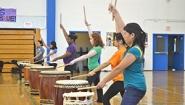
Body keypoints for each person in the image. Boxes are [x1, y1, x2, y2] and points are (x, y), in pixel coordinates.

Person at [97, 4, 147, 105]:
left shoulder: (134, 50)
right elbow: (122, 29)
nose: (123, 36)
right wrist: (115, 12)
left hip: (135, 87)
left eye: (125, 35)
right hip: (131, 85)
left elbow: (118, 69)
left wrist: (104, 81)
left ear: (132, 35)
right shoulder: (133, 46)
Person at [88, 22, 127, 105]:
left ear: (120, 41)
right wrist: (116, 20)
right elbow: (119, 32)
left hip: (120, 81)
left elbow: (106, 63)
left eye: (115, 40)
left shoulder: (119, 53)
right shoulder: (126, 50)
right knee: (127, 101)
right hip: (125, 80)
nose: (113, 41)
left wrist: (93, 71)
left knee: (105, 98)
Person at [68, 20, 104, 103]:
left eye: (91, 39)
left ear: (96, 40)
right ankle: (100, 99)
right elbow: (90, 34)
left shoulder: (98, 48)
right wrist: (88, 25)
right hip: (93, 69)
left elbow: (86, 56)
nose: (90, 40)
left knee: (87, 83)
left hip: (95, 69)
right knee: (97, 84)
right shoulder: (95, 47)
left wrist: (74, 60)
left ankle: (86, 99)